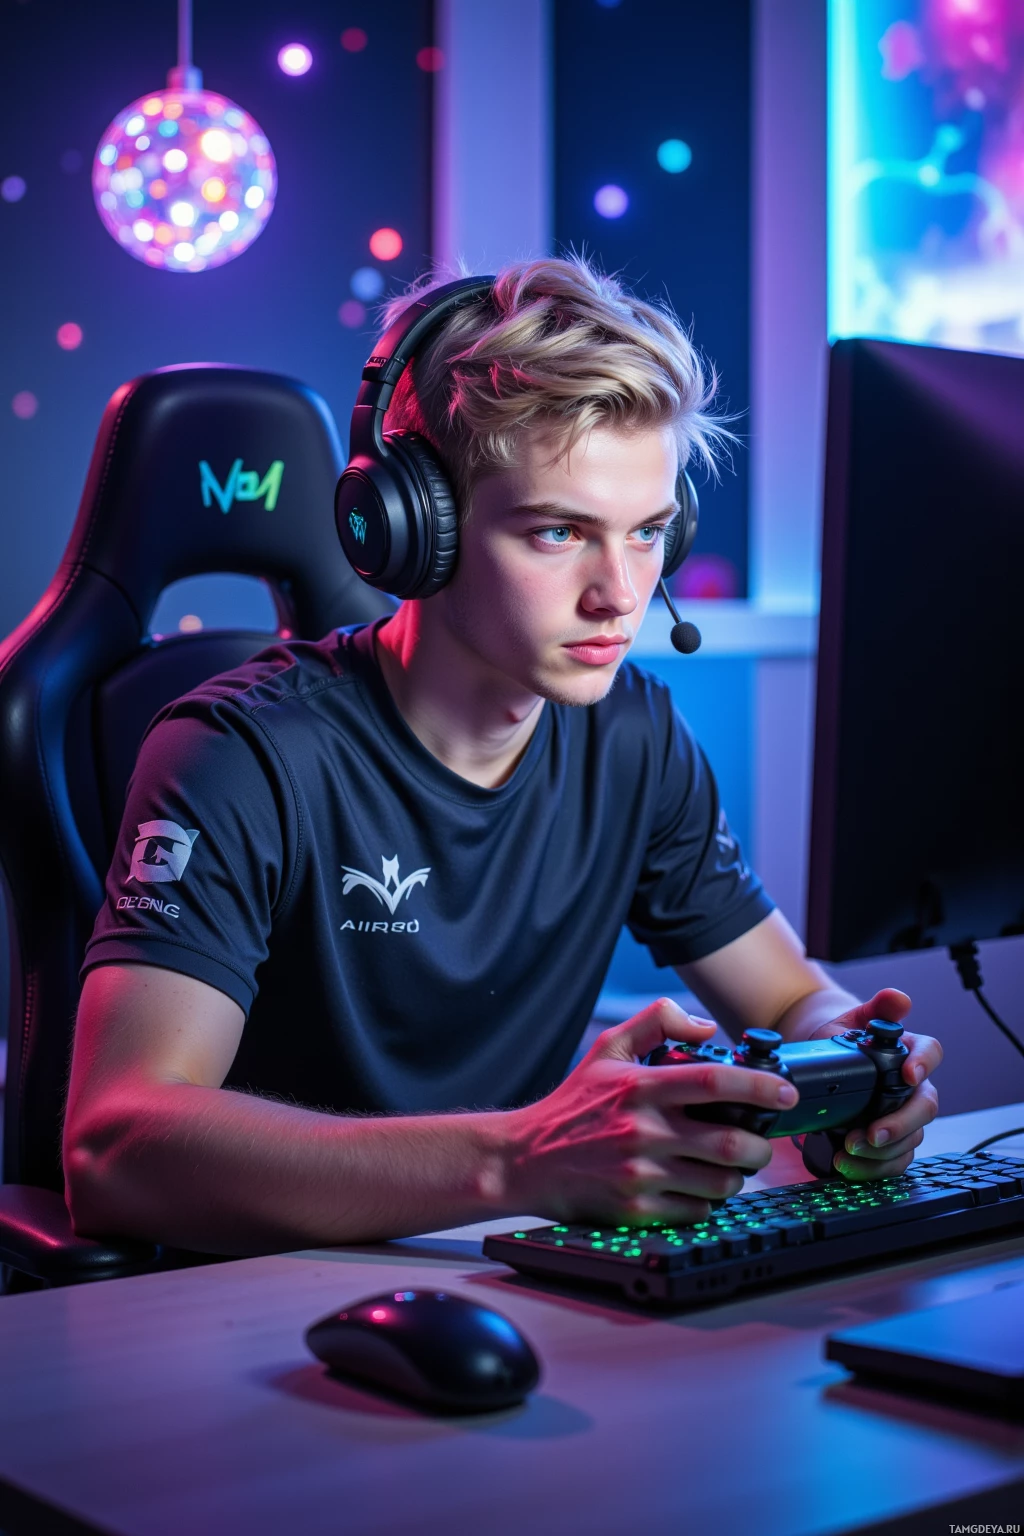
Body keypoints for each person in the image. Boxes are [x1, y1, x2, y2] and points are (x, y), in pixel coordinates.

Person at [64, 257, 942, 1255]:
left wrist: (857, 1071)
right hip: (244, 1315)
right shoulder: (238, 754)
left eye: (647, 533)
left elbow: (788, 995)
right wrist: (518, 1161)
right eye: (559, 532)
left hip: (507, 1284)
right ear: (414, 531)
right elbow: (113, 1151)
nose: (619, 594)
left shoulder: (633, 739)